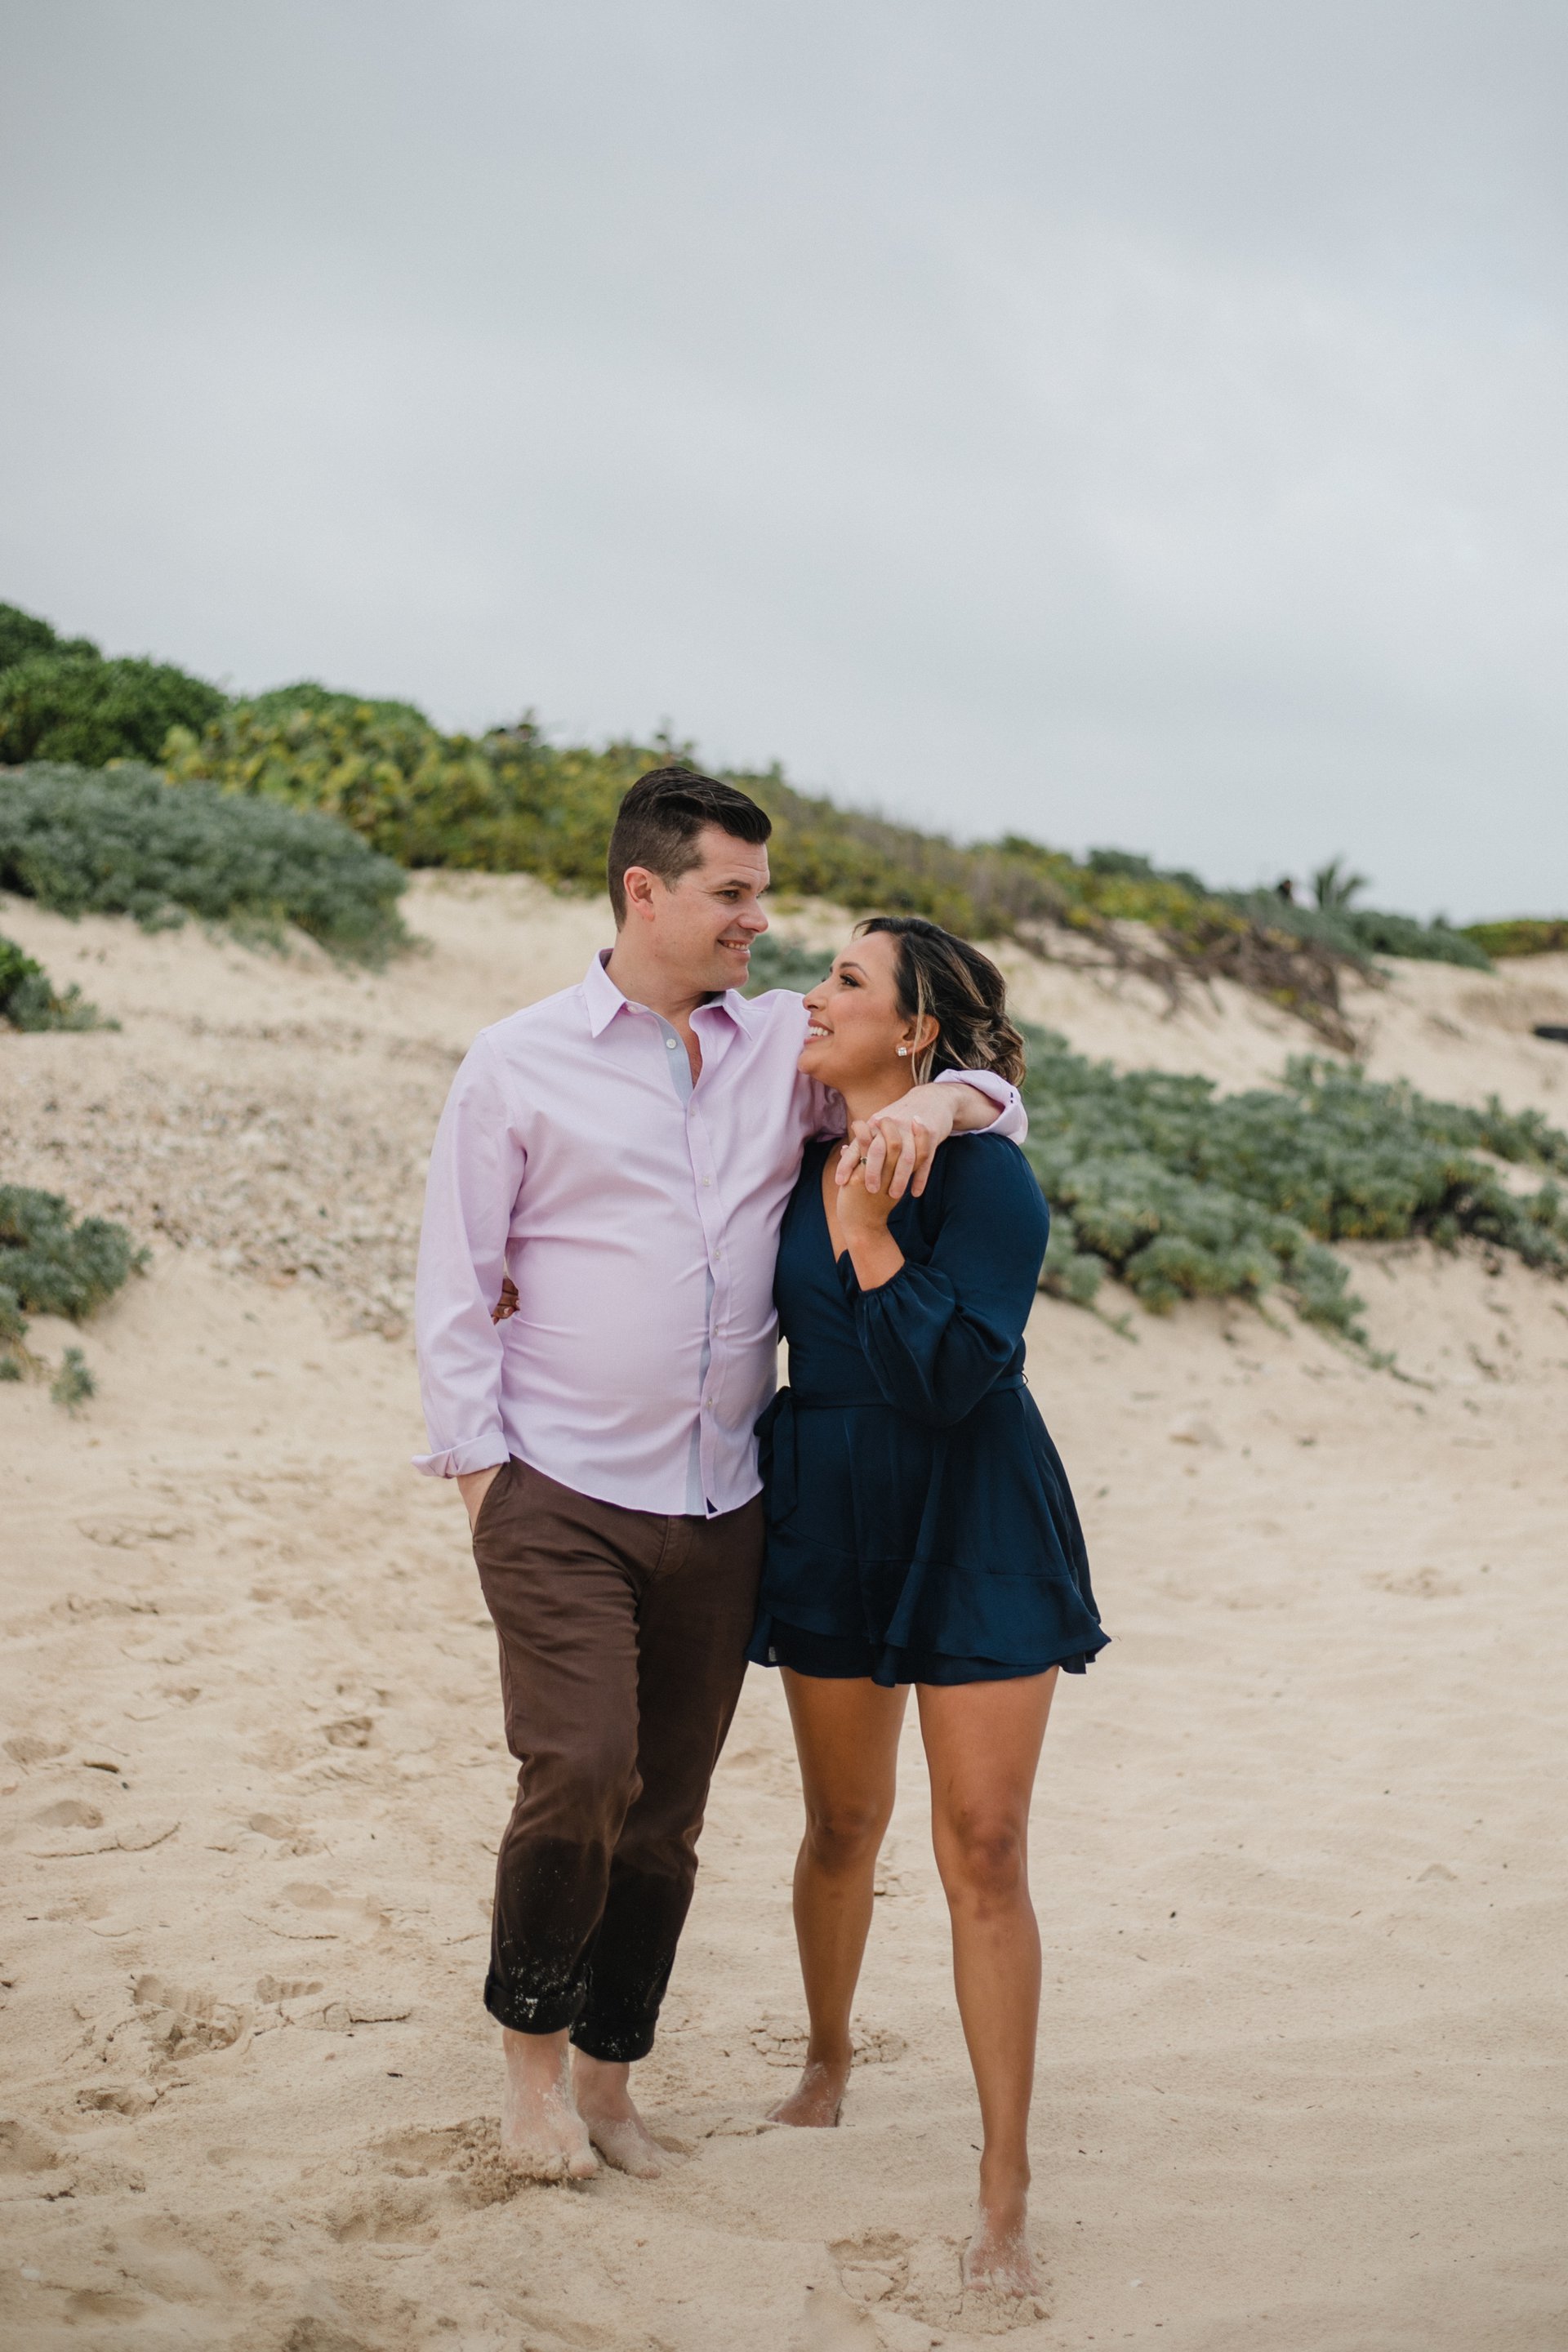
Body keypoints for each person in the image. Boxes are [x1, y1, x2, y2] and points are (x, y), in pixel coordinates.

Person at [413, 768, 1026, 2183]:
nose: (760, 921)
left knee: (667, 1815)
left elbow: (975, 1084)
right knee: (581, 1768)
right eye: (733, 894)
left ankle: (610, 2085)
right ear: (647, 892)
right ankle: (529, 2077)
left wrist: (949, 1105)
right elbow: (456, 1288)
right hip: (558, 1489)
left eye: (764, 893)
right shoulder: (515, 1061)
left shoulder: (776, 1056)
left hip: (726, 1502)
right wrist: (486, 1486)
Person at [746, 915, 1107, 2296]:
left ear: (913, 1030)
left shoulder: (989, 1180)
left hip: (974, 1509)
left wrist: (866, 1231)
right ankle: (826, 2059)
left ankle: (1004, 2183)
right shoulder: (793, 1138)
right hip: (832, 1508)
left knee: (986, 1843)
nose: (811, 995)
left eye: (845, 980)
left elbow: (955, 1378)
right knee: (842, 1821)